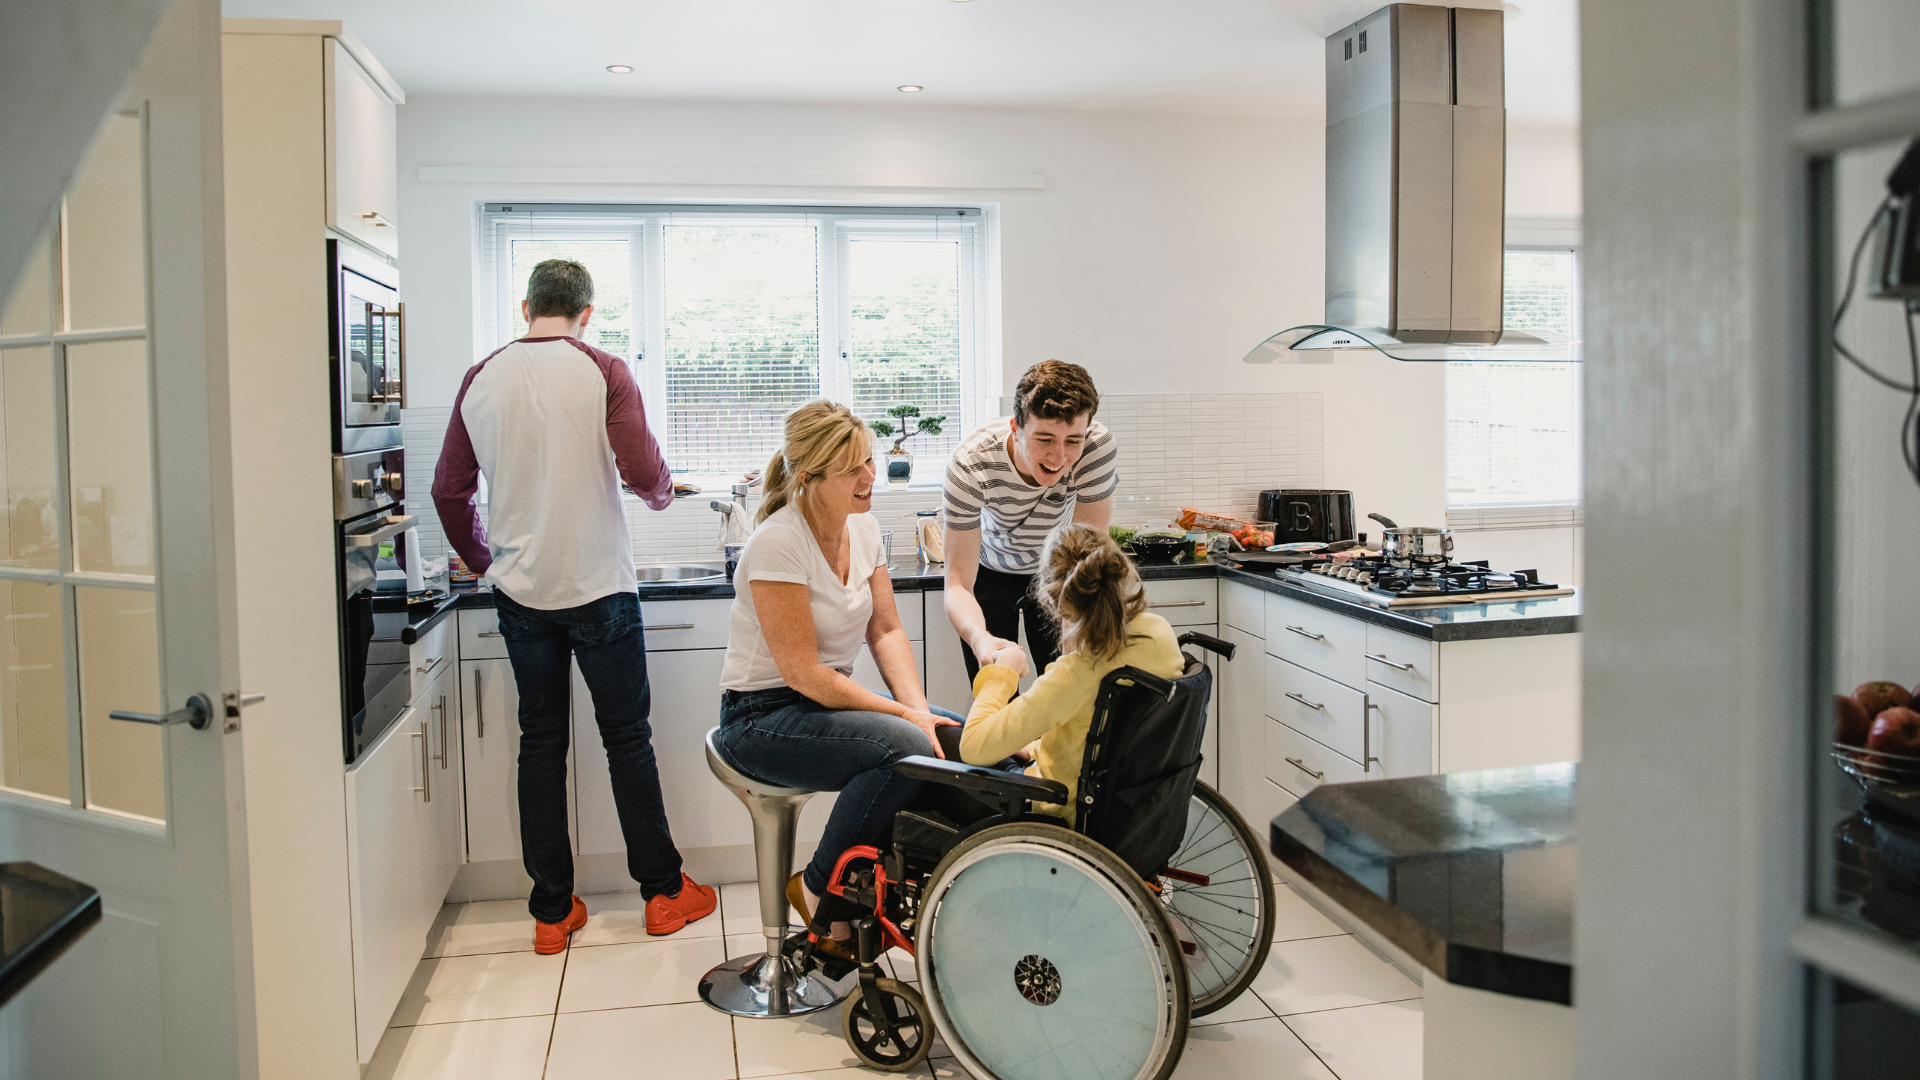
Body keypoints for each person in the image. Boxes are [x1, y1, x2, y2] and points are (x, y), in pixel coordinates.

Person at [432, 258, 715, 952]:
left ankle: (553, 913)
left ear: (526, 306)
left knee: (540, 744)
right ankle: (662, 894)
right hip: (600, 587)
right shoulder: (603, 369)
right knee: (627, 741)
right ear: (586, 313)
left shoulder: (481, 378)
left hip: (521, 593)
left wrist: (480, 560)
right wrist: (660, 495)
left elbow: (447, 490)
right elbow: (644, 472)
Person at [714, 399, 962, 954]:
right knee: (903, 744)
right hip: (761, 717)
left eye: (870, 461)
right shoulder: (780, 541)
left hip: (822, 703)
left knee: (949, 735)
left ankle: (877, 893)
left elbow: (888, 632)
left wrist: (919, 709)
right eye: (854, 469)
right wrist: (904, 719)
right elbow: (803, 673)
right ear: (809, 478)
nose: (871, 476)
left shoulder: (865, 527)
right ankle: (819, 886)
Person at [957, 524, 1185, 818]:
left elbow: (973, 746)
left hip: (1062, 809)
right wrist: (1038, 749)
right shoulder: (1159, 632)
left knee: (939, 737)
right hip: (1132, 806)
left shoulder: (1075, 674)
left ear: (1052, 602)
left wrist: (1004, 674)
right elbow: (1105, 734)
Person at [942, 360, 1117, 684]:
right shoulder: (971, 464)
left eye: (1072, 441)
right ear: (1016, 428)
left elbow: (1084, 557)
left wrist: (1076, 653)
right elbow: (957, 584)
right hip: (989, 572)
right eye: (1045, 439)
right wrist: (981, 640)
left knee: (1065, 691)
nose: (1058, 457)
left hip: (1058, 571)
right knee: (997, 696)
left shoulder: (1096, 448)